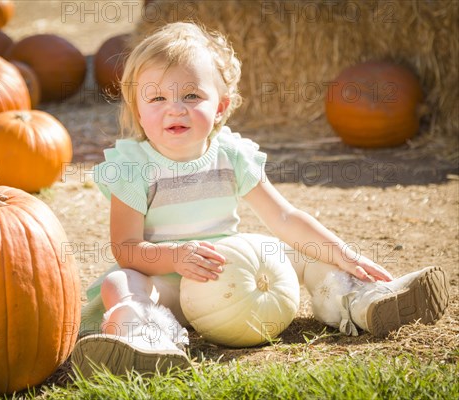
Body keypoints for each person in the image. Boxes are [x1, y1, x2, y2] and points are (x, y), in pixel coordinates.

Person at [70, 22, 449, 377]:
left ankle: (360, 298)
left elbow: (283, 217)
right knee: (121, 279)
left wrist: (340, 251)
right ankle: (141, 334)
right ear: (137, 106)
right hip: (167, 287)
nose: (175, 107)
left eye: (191, 95)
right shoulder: (133, 166)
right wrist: (176, 257)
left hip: (235, 272)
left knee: (304, 253)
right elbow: (126, 248)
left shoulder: (232, 154)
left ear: (220, 105)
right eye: (156, 97)